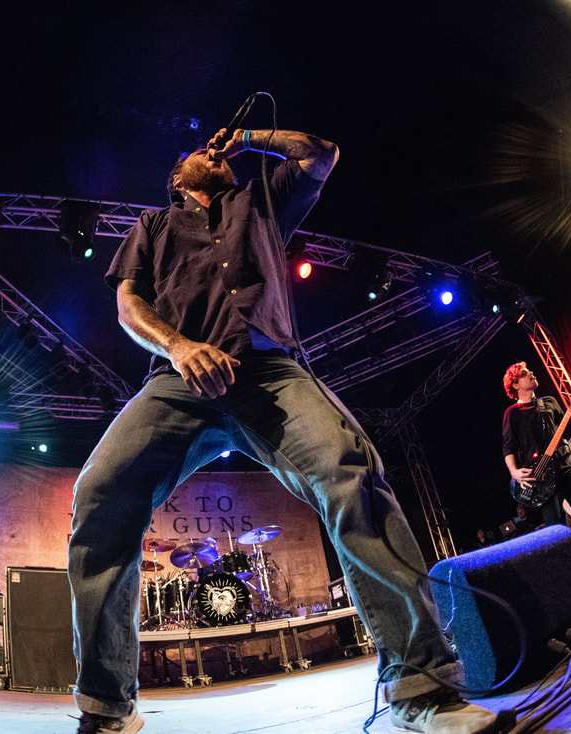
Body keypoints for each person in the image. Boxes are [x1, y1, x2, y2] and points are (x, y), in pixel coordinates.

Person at [67, 126, 495, 734]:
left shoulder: (261, 200)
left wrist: (248, 137)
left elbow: (321, 153)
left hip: (269, 372)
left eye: (217, 148)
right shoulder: (153, 226)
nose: (211, 151)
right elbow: (129, 305)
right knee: (100, 492)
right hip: (177, 380)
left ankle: (422, 689)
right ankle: (108, 707)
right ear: (176, 178)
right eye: (197, 152)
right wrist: (180, 347)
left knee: (349, 472)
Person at [501, 362, 571, 534]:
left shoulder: (549, 402)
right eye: (524, 373)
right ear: (515, 385)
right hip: (541, 477)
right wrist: (514, 472)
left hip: (564, 467)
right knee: (556, 528)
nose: (531, 372)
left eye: (529, 370)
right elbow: (509, 446)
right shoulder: (512, 413)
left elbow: (566, 432)